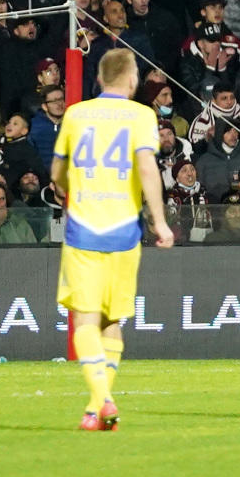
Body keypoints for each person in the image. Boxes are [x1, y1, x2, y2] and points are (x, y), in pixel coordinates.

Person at [52, 47, 173, 430]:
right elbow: (147, 168)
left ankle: (101, 400)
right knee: (112, 321)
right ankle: (95, 409)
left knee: (85, 320)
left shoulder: (76, 113)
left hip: (84, 228)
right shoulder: (142, 115)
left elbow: (57, 170)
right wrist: (160, 222)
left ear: (101, 78)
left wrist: (70, 188)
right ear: (133, 78)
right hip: (124, 231)